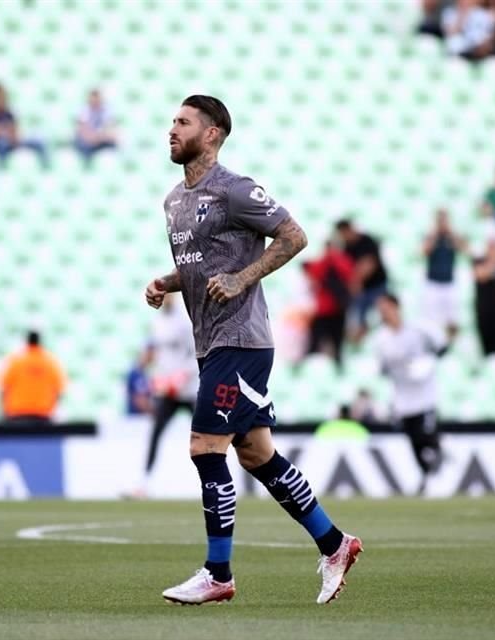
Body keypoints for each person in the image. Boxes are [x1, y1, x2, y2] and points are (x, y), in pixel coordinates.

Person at [145, 95, 361, 606]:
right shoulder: (174, 200)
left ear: (213, 133)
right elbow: (202, 265)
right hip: (212, 342)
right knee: (257, 453)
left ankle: (218, 572)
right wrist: (167, 282)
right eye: (171, 121)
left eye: (183, 122)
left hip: (240, 340)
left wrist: (243, 279)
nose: (172, 129)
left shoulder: (235, 190)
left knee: (204, 447)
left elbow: (294, 236)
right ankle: (335, 544)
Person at [372, 293, 447, 496]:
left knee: (426, 435)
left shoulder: (418, 329)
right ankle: (426, 478)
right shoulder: (381, 338)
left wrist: (426, 362)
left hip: (424, 395)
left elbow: (442, 345)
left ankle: (437, 457)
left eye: (386, 308)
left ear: (396, 307)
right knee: (414, 441)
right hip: (403, 399)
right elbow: (381, 369)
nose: (383, 313)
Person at [140, 294, 198, 490]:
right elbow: (158, 354)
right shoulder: (157, 322)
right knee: (155, 433)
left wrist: (182, 377)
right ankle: (144, 482)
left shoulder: (184, 321)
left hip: (189, 389)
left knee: (208, 434)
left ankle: (224, 479)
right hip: (167, 390)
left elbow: (196, 352)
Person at [335, 219, 388, 341]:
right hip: (362, 290)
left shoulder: (367, 241)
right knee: (358, 317)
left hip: (377, 285)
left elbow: (369, 264)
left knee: (382, 311)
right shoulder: (346, 247)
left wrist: (355, 281)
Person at [303, 241, 355, 367]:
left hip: (334, 310)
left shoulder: (338, 262)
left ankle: (336, 366)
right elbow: (308, 268)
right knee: (318, 342)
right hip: (327, 311)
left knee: (336, 343)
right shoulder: (327, 263)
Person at [0, 331, 67, 423]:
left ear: (26, 342)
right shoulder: (50, 363)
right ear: (40, 342)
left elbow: (3, 388)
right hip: (43, 414)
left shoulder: (15, 362)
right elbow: (59, 390)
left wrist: (5, 412)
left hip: (17, 413)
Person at [422, 208, 467, 340]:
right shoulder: (431, 237)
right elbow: (424, 251)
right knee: (431, 318)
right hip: (433, 282)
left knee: (452, 318)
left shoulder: (452, 237)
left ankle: (450, 341)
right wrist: (434, 235)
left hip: (449, 282)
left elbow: (464, 248)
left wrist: (451, 233)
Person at [0, 83, 48, 169]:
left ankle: (46, 167)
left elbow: (15, 129)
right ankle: (2, 169)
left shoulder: (9, 113)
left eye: (1, 96)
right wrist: (5, 132)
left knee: (38, 141)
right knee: (0, 144)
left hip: (13, 140)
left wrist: (9, 134)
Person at [73, 88, 119, 165]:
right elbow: (84, 132)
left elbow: (110, 129)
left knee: (115, 144)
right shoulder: (84, 110)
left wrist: (101, 136)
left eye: (98, 98)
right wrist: (99, 136)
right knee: (83, 146)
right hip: (87, 142)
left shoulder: (106, 110)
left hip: (100, 139)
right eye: (94, 98)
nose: (96, 101)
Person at [125, 349, 153, 416]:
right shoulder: (136, 374)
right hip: (136, 418)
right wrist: (154, 411)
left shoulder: (144, 374)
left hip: (142, 416)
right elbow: (139, 400)